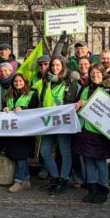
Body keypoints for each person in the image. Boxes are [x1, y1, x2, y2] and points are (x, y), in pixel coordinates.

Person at [74, 66, 110, 204]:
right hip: (84, 130)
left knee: (100, 162)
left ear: (103, 75)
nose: (95, 75)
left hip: (100, 132)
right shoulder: (85, 89)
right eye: (92, 73)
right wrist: (78, 105)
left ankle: (102, 190)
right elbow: (77, 105)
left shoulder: (109, 90)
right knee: (88, 161)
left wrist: (88, 104)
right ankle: (91, 189)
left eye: (98, 73)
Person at [38, 56, 79, 195]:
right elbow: (42, 100)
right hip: (48, 123)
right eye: (53, 65)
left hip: (63, 123)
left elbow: (71, 101)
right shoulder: (46, 81)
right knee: (44, 151)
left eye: (57, 65)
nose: (55, 68)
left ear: (63, 66)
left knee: (65, 152)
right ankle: (55, 177)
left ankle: (63, 179)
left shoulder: (70, 82)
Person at [2, 73, 39, 192]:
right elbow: (3, 107)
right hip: (12, 130)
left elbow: (36, 109)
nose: (18, 83)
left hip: (25, 131)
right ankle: (26, 179)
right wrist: (4, 109)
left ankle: (18, 181)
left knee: (21, 156)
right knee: (17, 155)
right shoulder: (8, 95)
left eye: (20, 81)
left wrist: (24, 109)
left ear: (25, 81)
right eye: (15, 81)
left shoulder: (32, 93)